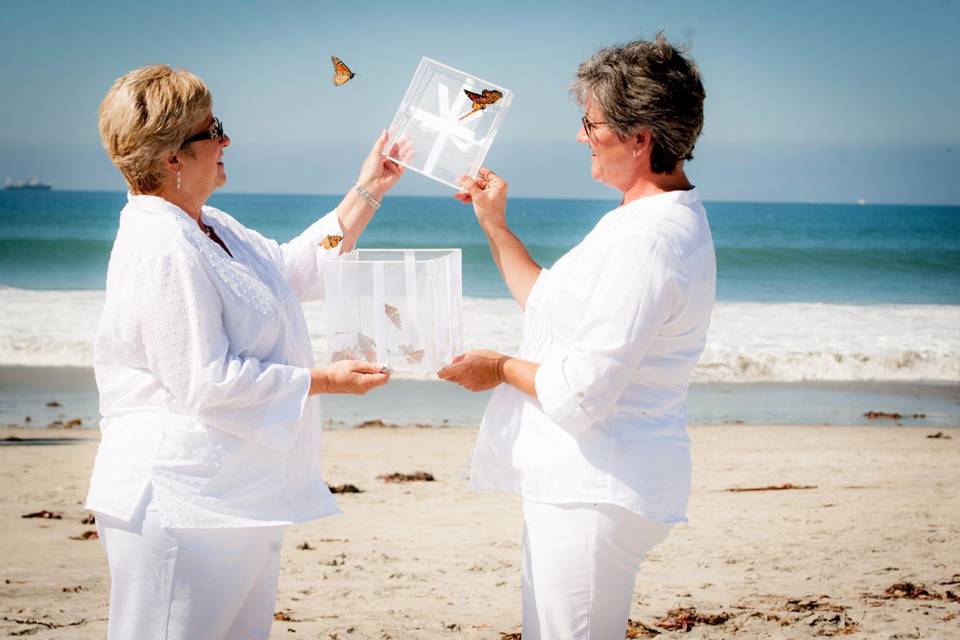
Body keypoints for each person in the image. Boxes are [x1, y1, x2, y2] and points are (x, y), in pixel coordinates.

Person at [86, 64, 409, 639]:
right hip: (178, 505)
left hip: (237, 497)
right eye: (213, 130)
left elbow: (292, 269)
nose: (226, 140)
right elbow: (207, 381)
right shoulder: (162, 246)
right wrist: (325, 380)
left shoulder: (210, 226)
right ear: (171, 159)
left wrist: (369, 189)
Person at [438, 34, 715, 639]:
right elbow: (548, 304)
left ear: (639, 137)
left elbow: (585, 389)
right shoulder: (639, 220)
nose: (580, 137)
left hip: (599, 485)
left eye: (590, 124)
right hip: (583, 481)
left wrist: (501, 368)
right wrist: (494, 224)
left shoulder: (651, 240)